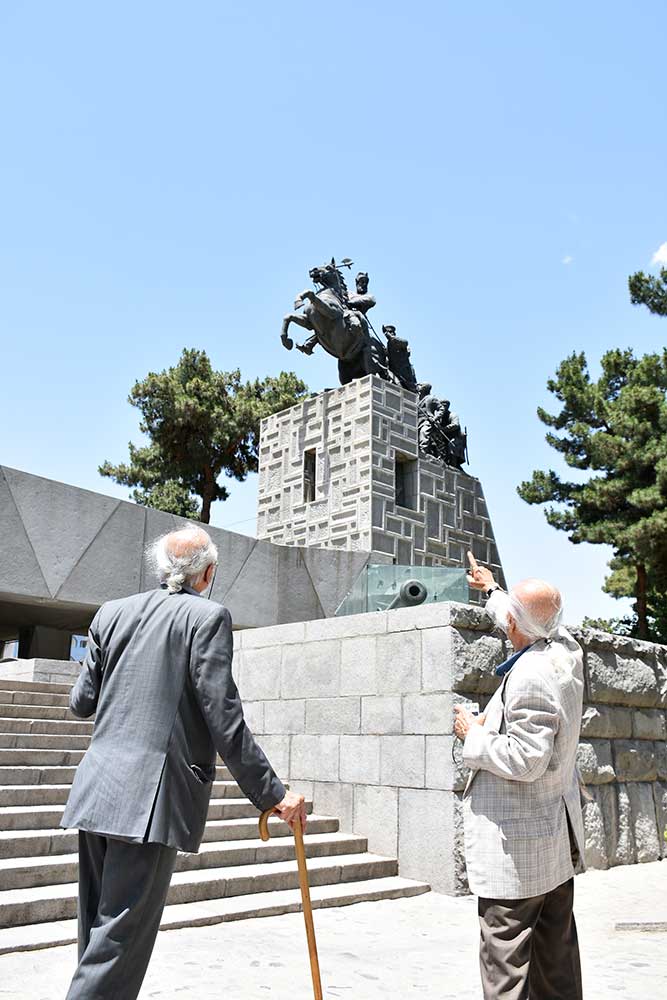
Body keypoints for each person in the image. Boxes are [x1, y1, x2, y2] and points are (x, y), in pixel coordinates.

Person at [61, 526, 305, 1000]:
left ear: (160, 569)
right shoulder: (207, 618)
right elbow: (223, 715)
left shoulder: (110, 614)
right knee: (116, 943)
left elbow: (81, 702)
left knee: (97, 934)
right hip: (150, 800)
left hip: (97, 789)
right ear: (208, 573)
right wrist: (273, 794)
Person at [455, 552, 585, 1000]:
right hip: (552, 847)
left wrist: (473, 735)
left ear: (515, 625)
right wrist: (491, 589)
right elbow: (525, 617)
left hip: (518, 858)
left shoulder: (530, 675)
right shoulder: (566, 650)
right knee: (557, 967)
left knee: (505, 969)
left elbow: (526, 759)